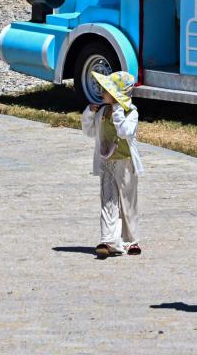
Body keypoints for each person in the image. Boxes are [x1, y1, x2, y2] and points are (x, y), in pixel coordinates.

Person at [81, 71, 143, 258]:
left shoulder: (131, 112)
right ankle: (109, 240)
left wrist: (117, 110)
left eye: (106, 89)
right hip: (106, 162)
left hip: (125, 162)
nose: (101, 92)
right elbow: (89, 132)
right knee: (108, 200)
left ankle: (131, 240)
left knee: (128, 202)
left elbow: (125, 132)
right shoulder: (101, 111)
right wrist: (89, 114)